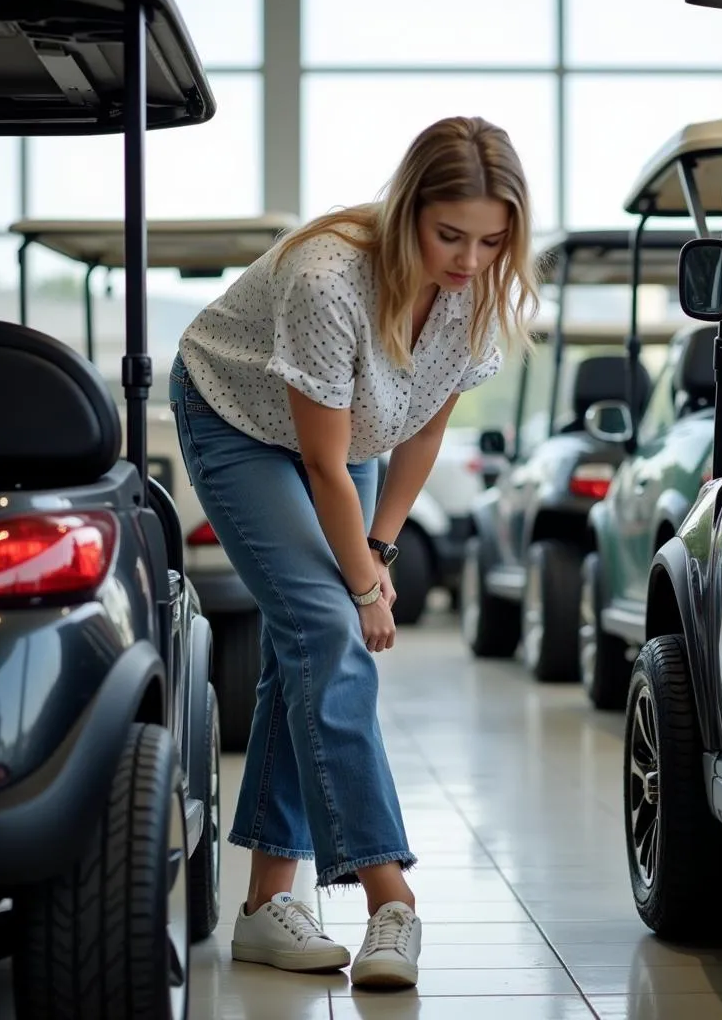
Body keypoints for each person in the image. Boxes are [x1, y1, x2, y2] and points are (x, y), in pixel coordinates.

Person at [169, 115, 538, 988]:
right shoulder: (329, 273)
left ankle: (264, 909)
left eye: (493, 240)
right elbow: (322, 463)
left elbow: (422, 430)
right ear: (408, 211)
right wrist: (367, 590)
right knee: (331, 633)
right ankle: (390, 897)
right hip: (237, 418)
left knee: (301, 650)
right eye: (450, 235)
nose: (471, 259)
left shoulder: (479, 290)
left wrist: (380, 548)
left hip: (359, 442)